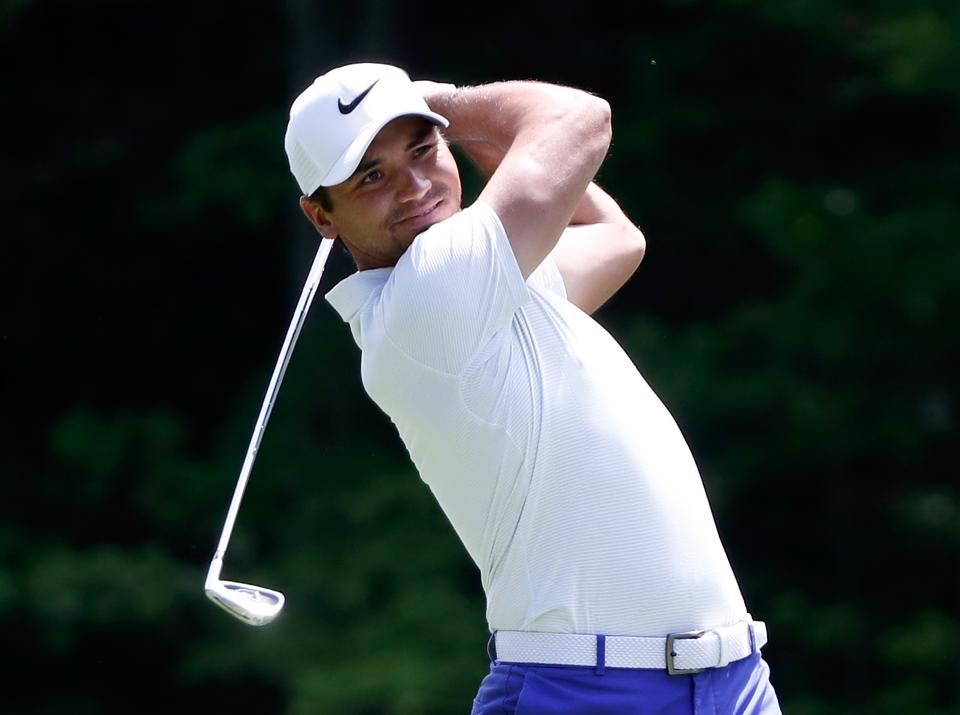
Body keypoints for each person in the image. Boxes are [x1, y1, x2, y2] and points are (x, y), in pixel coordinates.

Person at [284, 62, 782, 714]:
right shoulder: (432, 295)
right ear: (322, 215)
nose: (414, 185)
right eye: (372, 176)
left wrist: (446, 129)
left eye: (422, 149)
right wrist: (448, 107)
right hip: (589, 692)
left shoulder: (483, 286)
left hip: (730, 679)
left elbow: (613, 239)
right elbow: (580, 119)